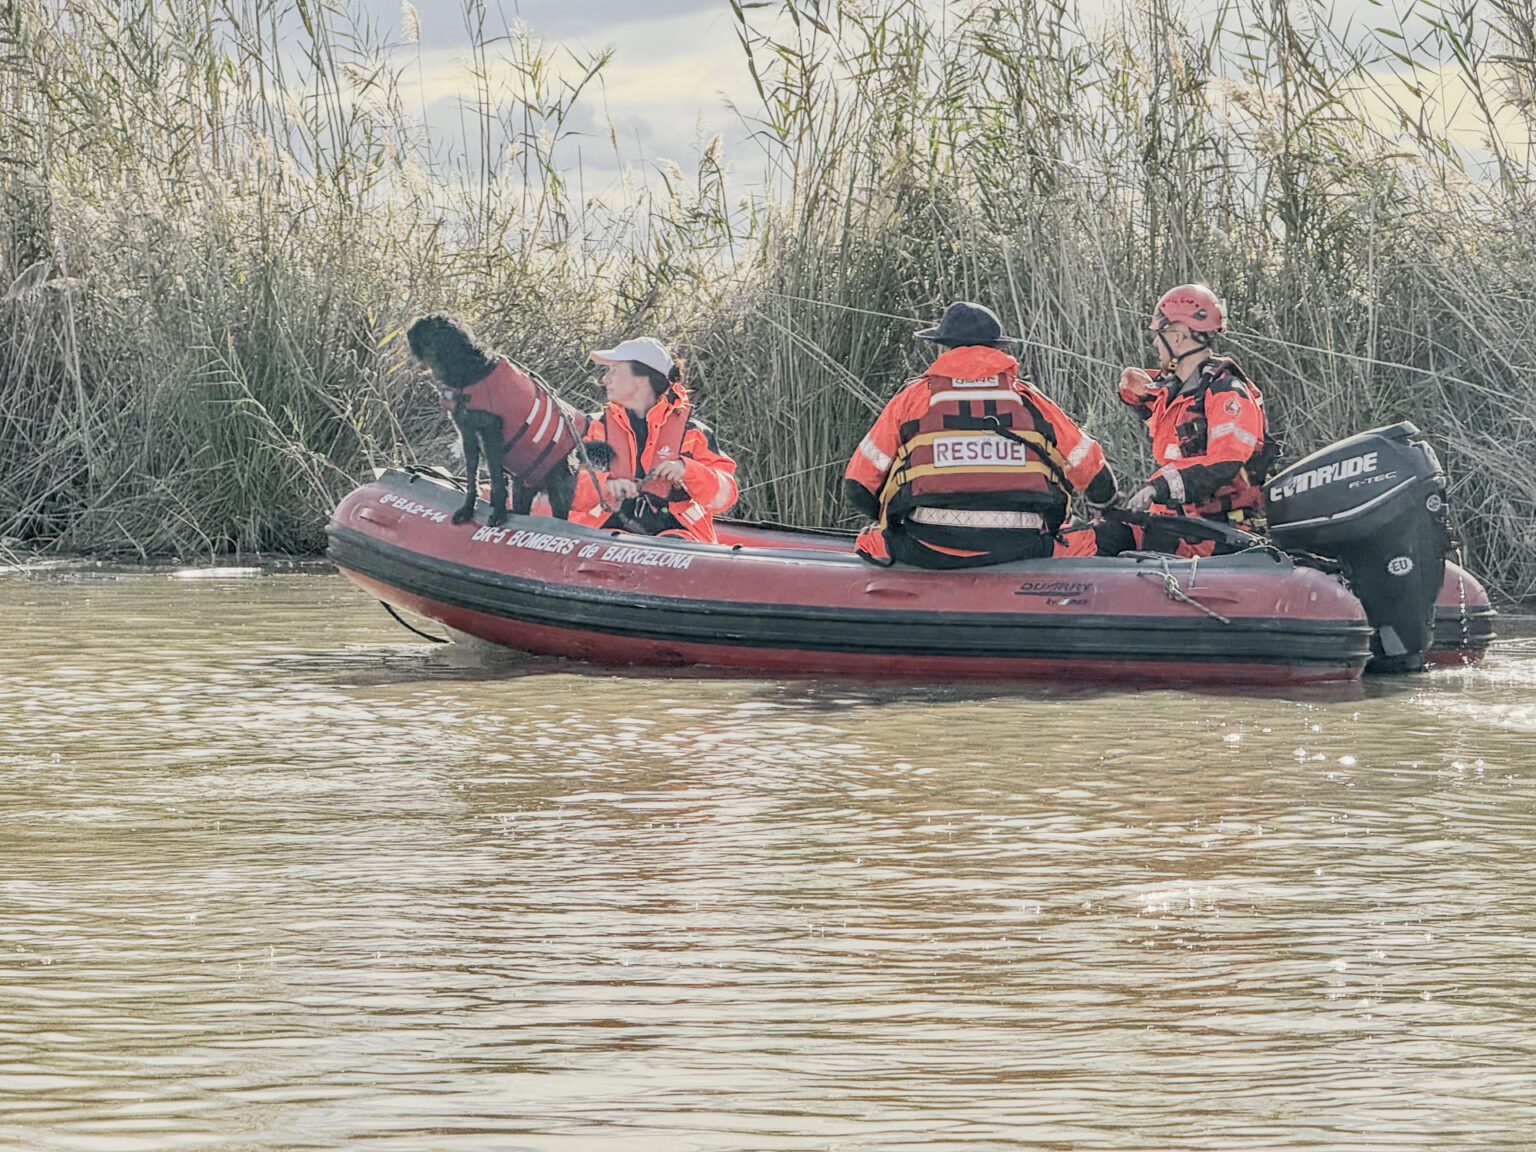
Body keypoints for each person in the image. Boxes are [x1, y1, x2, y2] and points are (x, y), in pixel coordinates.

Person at [844, 301, 1119, 568]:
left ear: (945, 348)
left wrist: (891, 523)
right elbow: (1096, 477)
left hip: (926, 546)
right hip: (1022, 548)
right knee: (1100, 540)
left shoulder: (913, 400)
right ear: (996, 348)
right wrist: (1102, 508)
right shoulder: (1030, 401)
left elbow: (858, 486)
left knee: (869, 541)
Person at [1113, 285, 1272, 554]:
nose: (1154, 343)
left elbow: (1225, 463)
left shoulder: (1227, 393)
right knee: (1105, 535)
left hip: (1220, 532)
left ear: (1176, 337)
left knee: (1150, 551)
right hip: (1181, 522)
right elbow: (1157, 414)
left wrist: (1157, 488)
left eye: (1159, 334)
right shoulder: (1180, 392)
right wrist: (1134, 391)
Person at [567, 336, 738, 544]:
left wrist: (687, 471)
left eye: (614, 371)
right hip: (603, 534)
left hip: (679, 537)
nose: (605, 379)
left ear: (641, 380)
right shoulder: (595, 428)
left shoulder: (694, 434)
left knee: (673, 546)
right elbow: (568, 489)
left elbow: (723, 498)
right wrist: (606, 485)